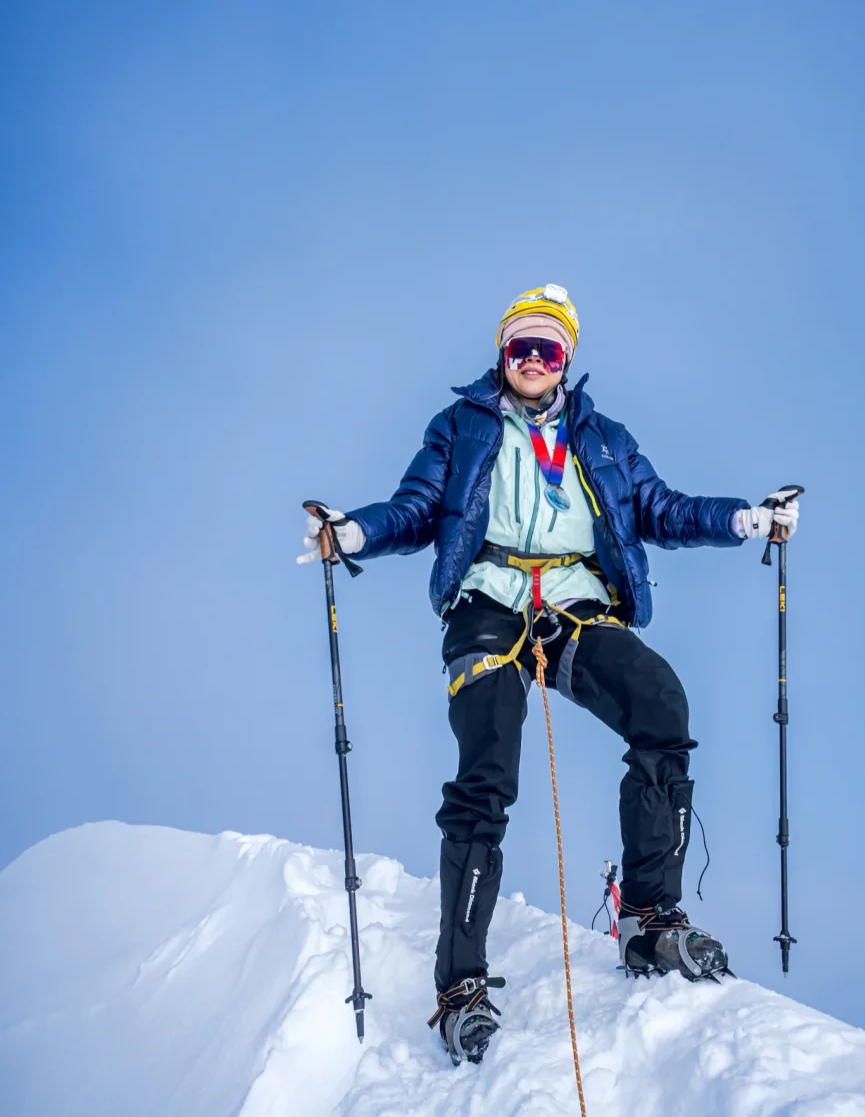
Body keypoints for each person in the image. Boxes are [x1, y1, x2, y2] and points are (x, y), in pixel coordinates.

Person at [299, 285, 799, 1066]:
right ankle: (461, 986)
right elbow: (419, 506)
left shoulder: (600, 436)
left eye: (549, 350)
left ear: (566, 360)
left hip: (572, 601)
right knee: (488, 768)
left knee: (660, 702)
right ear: (501, 356)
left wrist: (747, 518)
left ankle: (649, 916)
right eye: (519, 348)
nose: (532, 361)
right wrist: (353, 532)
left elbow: (659, 508)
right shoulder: (463, 424)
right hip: (488, 603)